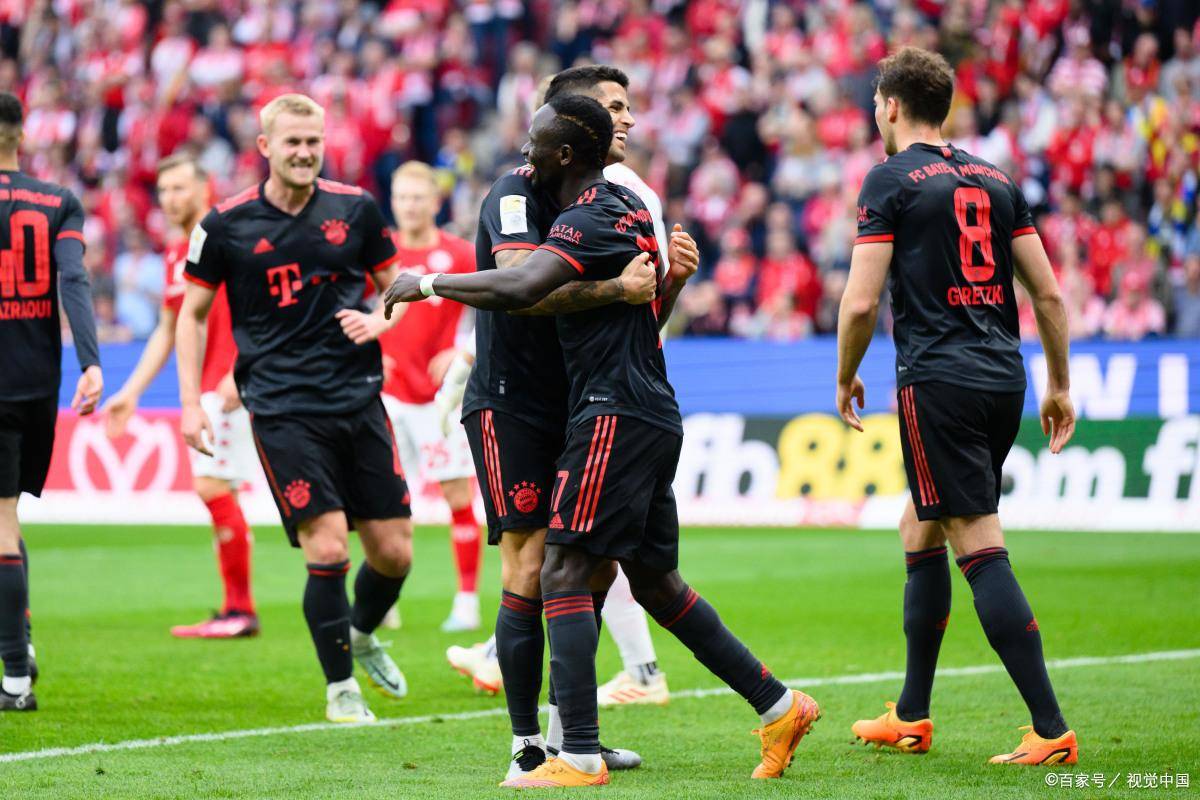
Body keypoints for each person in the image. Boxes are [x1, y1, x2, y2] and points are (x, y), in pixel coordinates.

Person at [384, 94, 818, 789]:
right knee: (654, 582)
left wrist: (429, 282)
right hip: (649, 407)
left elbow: (524, 284)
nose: (523, 150)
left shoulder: (585, 216)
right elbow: (637, 308)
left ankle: (577, 754)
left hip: (612, 410)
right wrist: (658, 284)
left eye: (536, 139)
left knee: (559, 571)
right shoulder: (629, 207)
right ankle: (778, 704)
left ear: (564, 153)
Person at [835, 47, 1079, 766]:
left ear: (890, 106)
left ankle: (1051, 729)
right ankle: (911, 715)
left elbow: (859, 303)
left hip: (938, 381)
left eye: (876, 106)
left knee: (976, 540)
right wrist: (1060, 384)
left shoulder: (888, 180)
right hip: (1004, 377)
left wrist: (845, 376)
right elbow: (1049, 293)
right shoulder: (997, 179)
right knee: (920, 523)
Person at [446, 66, 685, 716]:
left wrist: (670, 285)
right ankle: (530, 745)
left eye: (626, 108)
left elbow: (640, 314)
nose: (624, 120)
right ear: (566, 130)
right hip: (515, 399)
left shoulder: (624, 196)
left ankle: (571, 733)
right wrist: (615, 289)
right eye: (611, 107)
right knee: (533, 565)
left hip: (582, 402)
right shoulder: (515, 191)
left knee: (589, 565)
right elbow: (520, 288)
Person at [176, 93, 412, 724]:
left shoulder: (356, 209)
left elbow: (397, 286)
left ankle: (359, 634)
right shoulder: (224, 225)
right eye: (293, 142)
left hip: (358, 398)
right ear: (265, 147)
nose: (305, 153)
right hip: (281, 407)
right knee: (327, 546)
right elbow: (191, 315)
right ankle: (341, 689)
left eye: (314, 141)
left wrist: (380, 321)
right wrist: (191, 404)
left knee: (394, 553)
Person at [103, 153, 259, 639]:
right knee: (221, 489)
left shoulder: (231, 237)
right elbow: (169, 329)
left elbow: (262, 310)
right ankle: (236, 608)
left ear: (205, 187)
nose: (170, 199)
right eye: (164, 190)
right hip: (209, 386)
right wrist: (130, 392)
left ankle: (240, 610)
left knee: (214, 487)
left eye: (180, 188)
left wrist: (241, 368)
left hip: (233, 384)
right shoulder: (177, 252)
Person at [0, 90, 103, 712]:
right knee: (6, 517)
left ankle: (15, 677)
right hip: (36, 384)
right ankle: (23, 641)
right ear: (22, 135)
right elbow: (74, 278)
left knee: (1, 525)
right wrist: (90, 361)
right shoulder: (57, 200)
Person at [376, 160, 482, 633]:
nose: (410, 206)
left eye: (418, 197)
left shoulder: (459, 254)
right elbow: (356, 306)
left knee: (457, 493)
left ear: (435, 202)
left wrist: (463, 350)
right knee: (384, 499)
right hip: (389, 395)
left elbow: (496, 301)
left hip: (441, 396)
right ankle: (383, 597)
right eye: (402, 197)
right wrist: (371, 353)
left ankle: (466, 601)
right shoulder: (381, 252)